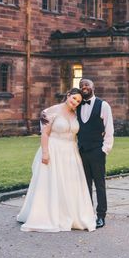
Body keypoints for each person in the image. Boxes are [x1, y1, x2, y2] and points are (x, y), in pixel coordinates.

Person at [16, 88, 96, 232]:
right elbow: (45, 134)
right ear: (68, 95)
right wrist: (45, 153)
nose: (75, 102)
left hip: (71, 153)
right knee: (52, 183)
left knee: (69, 184)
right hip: (54, 149)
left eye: (78, 101)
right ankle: (48, 215)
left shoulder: (76, 114)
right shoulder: (51, 111)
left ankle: (69, 214)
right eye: (74, 99)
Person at [77, 78, 114, 229]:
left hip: (97, 151)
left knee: (99, 184)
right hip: (82, 152)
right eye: (81, 85)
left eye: (86, 85)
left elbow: (109, 128)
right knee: (85, 185)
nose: (84, 87)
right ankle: (88, 214)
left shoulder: (103, 105)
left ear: (93, 87)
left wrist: (105, 149)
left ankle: (101, 216)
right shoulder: (77, 105)